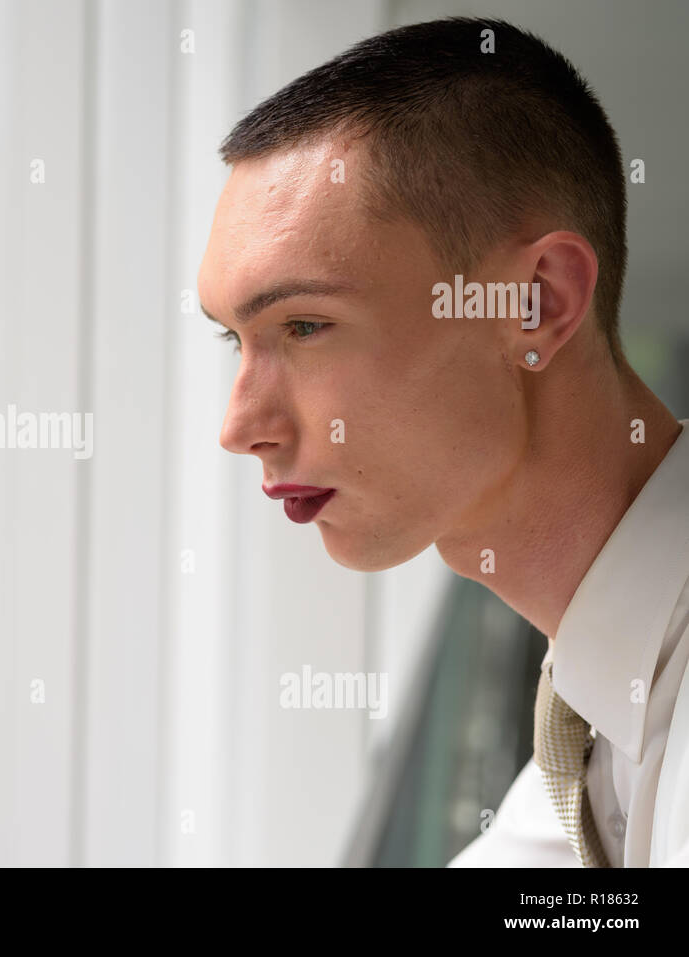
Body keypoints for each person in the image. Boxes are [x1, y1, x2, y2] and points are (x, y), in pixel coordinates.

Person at [196, 16, 689, 867]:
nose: (240, 428)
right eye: (232, 341)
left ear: (534, 303)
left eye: (305, 325)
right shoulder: (596, 727)